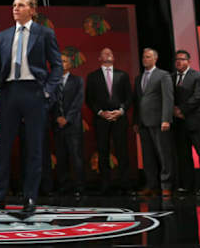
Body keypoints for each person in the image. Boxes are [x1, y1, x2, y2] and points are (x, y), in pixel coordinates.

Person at [0, 0, 62, 213]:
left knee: (34, 148)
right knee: (2, 147)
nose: (15, 9)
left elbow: (56, 66)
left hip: (34, 93)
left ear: (32, 9)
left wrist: (47, 92)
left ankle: (30, 198)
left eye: (20, 5)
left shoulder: (45, 34)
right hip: (8, 93)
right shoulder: (3, 36)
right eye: (13, 5)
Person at [85, 48, 133, 195]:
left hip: (119, 118)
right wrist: (100, 112)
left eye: (111, 53)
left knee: (122, 151)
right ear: (99, 58)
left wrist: (120, 111)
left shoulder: (122, 75)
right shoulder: (93, 76)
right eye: (105, 53)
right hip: (101, 119)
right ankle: (105, 184)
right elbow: (89, 99)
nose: (108, 55)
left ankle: (124, 184)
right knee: (103, 151)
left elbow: (129, 97)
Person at [133, 48, 174, 197]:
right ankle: (152, 185)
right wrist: (136, 121)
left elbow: (168, 98)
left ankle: (166, 185)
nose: (145, 59)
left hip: (159, 121)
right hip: (143, 123)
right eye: (144, 57)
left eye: (148, 57)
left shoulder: (163, 75)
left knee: (163, 154)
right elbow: (138, 101)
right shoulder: (139, 78)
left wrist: (166, 119)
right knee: (147, 156)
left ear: (155, 59)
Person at [171, 50, 200, 195]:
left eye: (181, 59)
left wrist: (182, 109)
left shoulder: (199, 76)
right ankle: (187, 185)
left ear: (188, 61)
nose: (178, 62)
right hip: (179, 124)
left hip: (196, 121)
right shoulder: (171, 77)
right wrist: (174, 111)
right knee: (183, 155)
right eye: (176, 60)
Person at [54, 53, 85, 196]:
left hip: (72, 124)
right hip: (57, 124)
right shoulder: (53, 81)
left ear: (70, 64)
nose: (62, 63)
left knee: (75, 156)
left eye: (64, 61)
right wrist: (57, 117)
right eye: (59, 61)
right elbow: (51, 102)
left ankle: (79, 186)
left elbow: (78, 102)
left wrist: (67, 118)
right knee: (61, 157)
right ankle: (64, 186)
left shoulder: (78, 80)